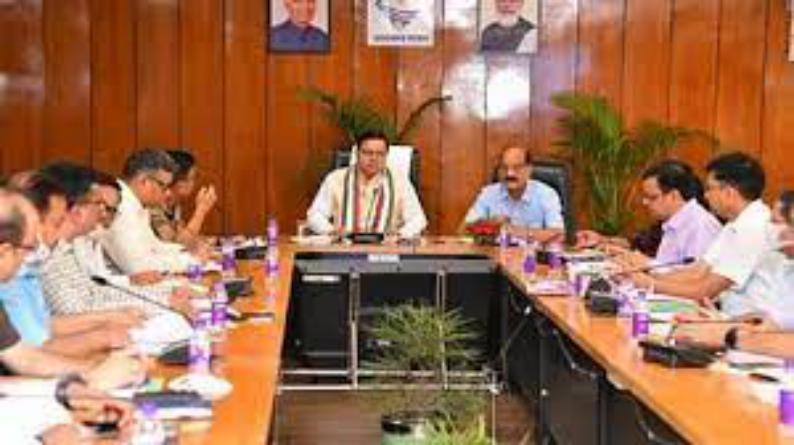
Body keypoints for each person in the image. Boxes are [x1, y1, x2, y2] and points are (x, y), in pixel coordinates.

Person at [630, 152, 774, 308]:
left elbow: (705, 290)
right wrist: (644, 277)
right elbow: (697, 272)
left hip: (746, 319)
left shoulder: (753, 227)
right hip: (724, 313)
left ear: (729, 193)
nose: (705, 196)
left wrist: (649, 283)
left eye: (710, 189)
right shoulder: (736, 222)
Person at [578, 160, 722, 267]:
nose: (644, 202)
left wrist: (645, 264)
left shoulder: (700, 226)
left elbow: (693, 280)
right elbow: (639, 245)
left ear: (674, 196)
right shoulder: (671, 221)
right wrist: (609, 244)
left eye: (652, 197)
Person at [306, 131, 427, 238]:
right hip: (344, 248)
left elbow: (418, 219)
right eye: (368, 153)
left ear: (386, 156)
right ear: (357, 153)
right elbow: (315, 215)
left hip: (386, 250)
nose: (374, 158)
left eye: (380, 154)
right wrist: (331, 231)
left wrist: (400, 235)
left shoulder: (400, 182)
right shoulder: (335, 179)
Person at [101, 149, 199, 274]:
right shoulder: (119, 204)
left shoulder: (137, 204)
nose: (168, 193)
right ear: (144, 181)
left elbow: (153, 247)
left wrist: (187, 253)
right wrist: (189, 261)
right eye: (163, 186)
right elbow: (138, 267)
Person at [462, 146, 564, 243]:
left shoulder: (546, 194)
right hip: (495, 253)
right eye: (504, 168)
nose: (509, 173)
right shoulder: (489, 193)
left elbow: (558, 234)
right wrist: (491, 224)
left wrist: (512, 230)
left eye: (517, 168)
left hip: (531, 254)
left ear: (529, 170)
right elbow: (463, 230)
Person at [150, 149, 217, 248]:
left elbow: (182, 235)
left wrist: (205, 241)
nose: (194, 183)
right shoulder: (153, 207)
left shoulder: (174, 205)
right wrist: (201, 211)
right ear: (179, 181)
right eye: (193, 177)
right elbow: (180, 245)